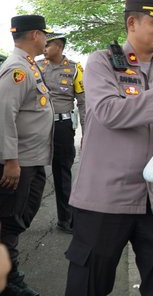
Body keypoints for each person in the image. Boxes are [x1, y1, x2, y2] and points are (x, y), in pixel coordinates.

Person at [65, 0, 153, 296]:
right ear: (132, 22)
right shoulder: (102, 63)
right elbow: (108, 112)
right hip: (106, 197)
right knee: (89, 285)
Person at [0, 15, 55, 296]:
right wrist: (10, 160)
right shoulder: (17, 70)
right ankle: (8, 282)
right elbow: (4, 115)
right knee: (10, 221)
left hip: (32, 159)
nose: (46, 40)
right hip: (19, 162)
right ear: (35, 34)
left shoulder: (29, 66)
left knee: (19, 218)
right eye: (44, 34)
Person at [37, 33, 86, 234]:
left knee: (63, 173)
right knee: (31, 173)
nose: (44, 48)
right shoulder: (36, 66)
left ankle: (65, 219)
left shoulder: (75, 68)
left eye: (48, 45)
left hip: (62, 127)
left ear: (58, 46)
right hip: (37, 127)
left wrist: (87, 131)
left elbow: (83, 102)